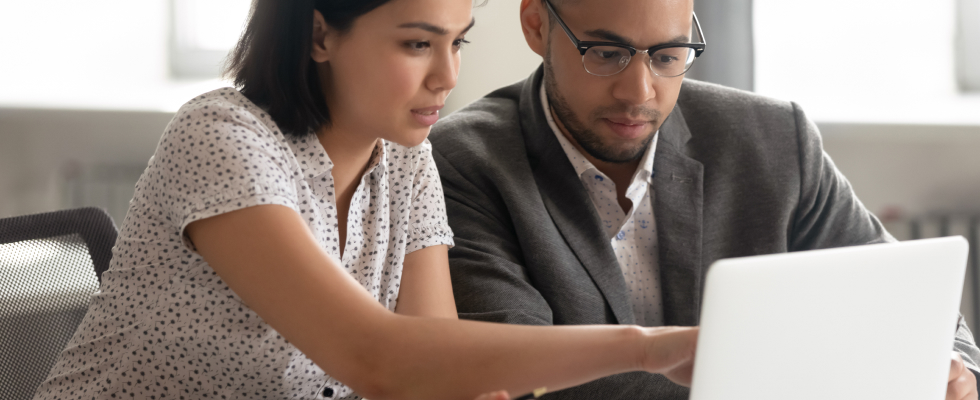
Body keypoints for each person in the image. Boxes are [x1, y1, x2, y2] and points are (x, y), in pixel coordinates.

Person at [31, 1, 701, 399]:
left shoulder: (406, 158)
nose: (448, 75)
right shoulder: (221, 139)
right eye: (417, 43)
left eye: (456, 41)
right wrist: (644, 348)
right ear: (321, 34)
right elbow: (377, 359)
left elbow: (433, 365)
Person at [428, 0, 980, 399]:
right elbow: (522, 379)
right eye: (605, 53)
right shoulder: (462, 163)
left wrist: (954, 371)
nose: (639, 91)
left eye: (668, 56)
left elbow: (909, 302)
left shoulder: (774, 137)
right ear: (535, 24)